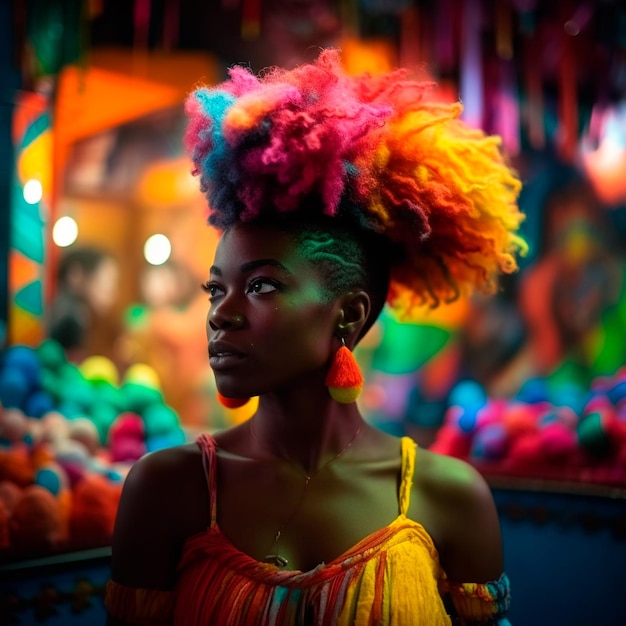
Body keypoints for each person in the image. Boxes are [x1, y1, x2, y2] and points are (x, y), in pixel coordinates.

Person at [105, 49, 526, 625]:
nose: (219, 315)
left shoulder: (449, 498)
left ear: (347, 315)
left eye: (261, 287)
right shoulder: (167, 491)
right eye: (214, 290)